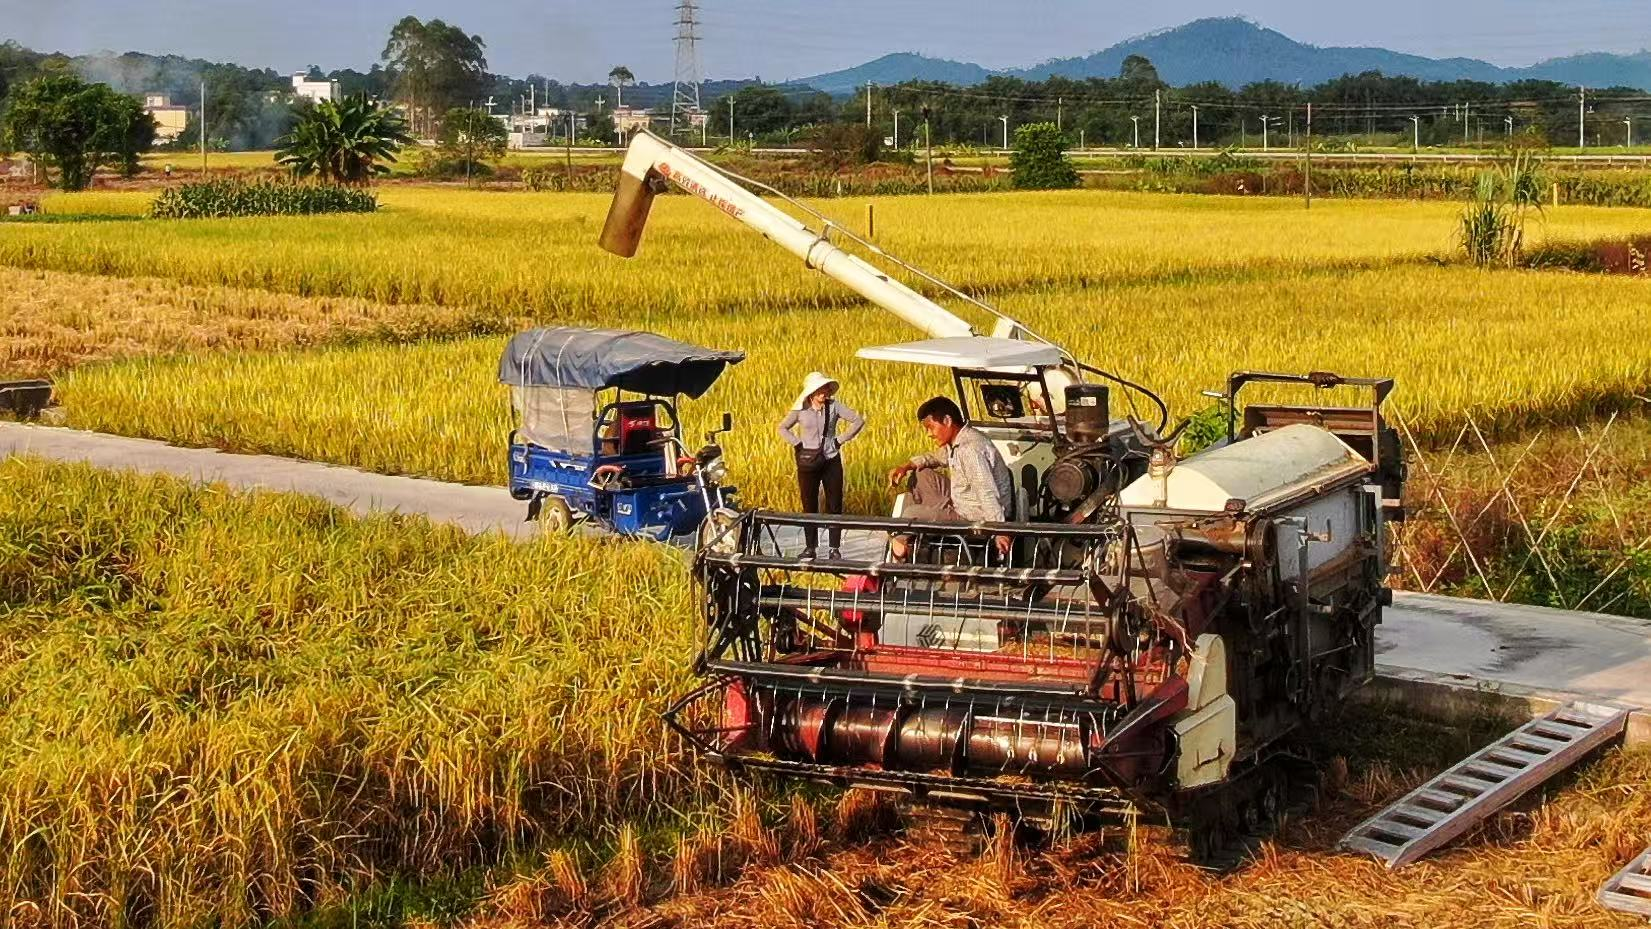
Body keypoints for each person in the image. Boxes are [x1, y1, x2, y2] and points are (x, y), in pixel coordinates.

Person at [887, 396, 1014, 560]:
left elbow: (986, 492)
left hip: (975, 517)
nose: (929, 434)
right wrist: (907, 466)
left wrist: (999, 530)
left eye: (931, 428)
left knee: (910, 513)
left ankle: (901, 553)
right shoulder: (961, 439)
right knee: (921, 474)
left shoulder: (970, 450)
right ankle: (930, 520)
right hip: (963, 501)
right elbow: (937, 457)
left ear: (947, 421)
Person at [777, 371, 864, 560]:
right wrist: (797, 444)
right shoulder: (800, 409)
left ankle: (834, 548)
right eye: (821, 390)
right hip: (808, 462)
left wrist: (839, 440)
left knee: (834, 503)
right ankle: (810, 547)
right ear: (812, 392)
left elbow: (858, 420)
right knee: (809, 504)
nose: (825, 393)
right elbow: (782, 428)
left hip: (831, 460)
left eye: (826, 389)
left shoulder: (834, 406)